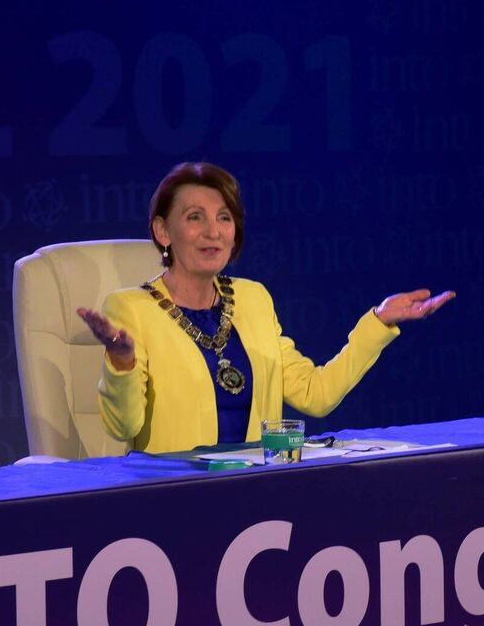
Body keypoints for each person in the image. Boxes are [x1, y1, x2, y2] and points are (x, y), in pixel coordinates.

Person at [77, 162, 454, 453]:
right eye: (195, 217)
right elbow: (123, 428)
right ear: (162, 232)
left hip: (256, 494)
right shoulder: (130, 309)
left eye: (224, 218)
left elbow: (315, 394)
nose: (214, 231)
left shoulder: (253, 299)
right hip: (172, 496)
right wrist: (122, 362)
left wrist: (378, 322)